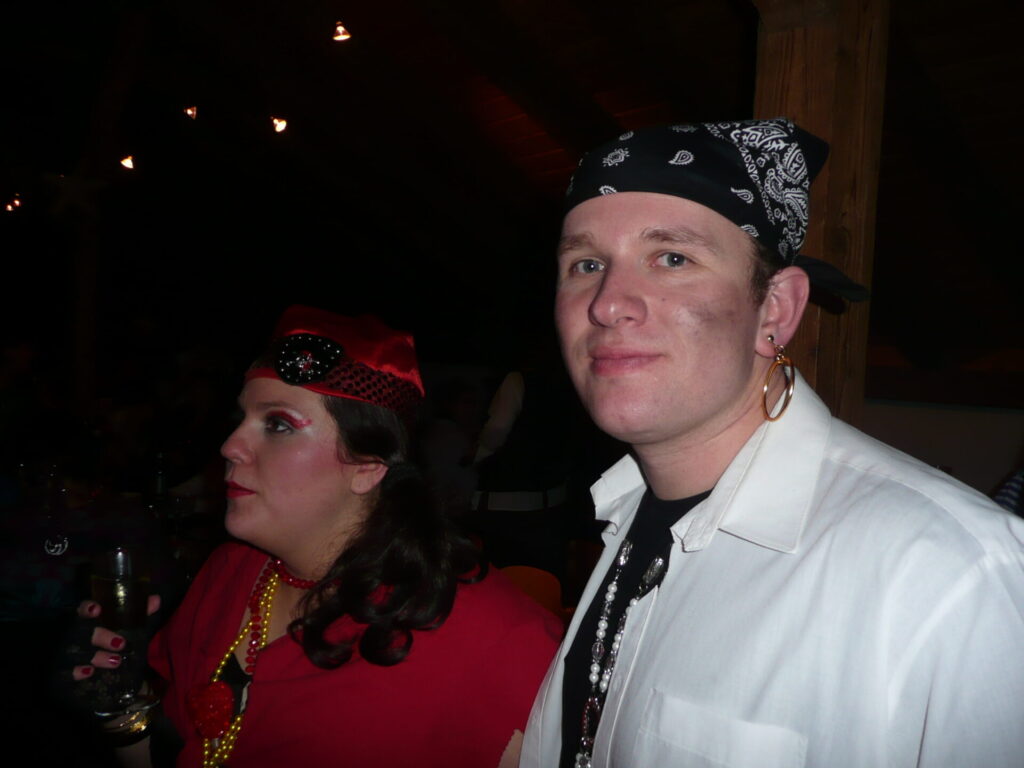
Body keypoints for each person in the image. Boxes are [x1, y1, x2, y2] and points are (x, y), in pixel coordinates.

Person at [519, 120, 1024, 768]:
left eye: (672, 258)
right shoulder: (626, 514)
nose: (607, 304)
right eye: (586, 265)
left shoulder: (951, 573)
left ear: (776, 310)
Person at [72, 305, 562, 767]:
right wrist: (118, 705)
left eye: (278, 424)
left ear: (367, 465)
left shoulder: (496, 639)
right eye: (241, 419)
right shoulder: (229, 570)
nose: (230, 445)